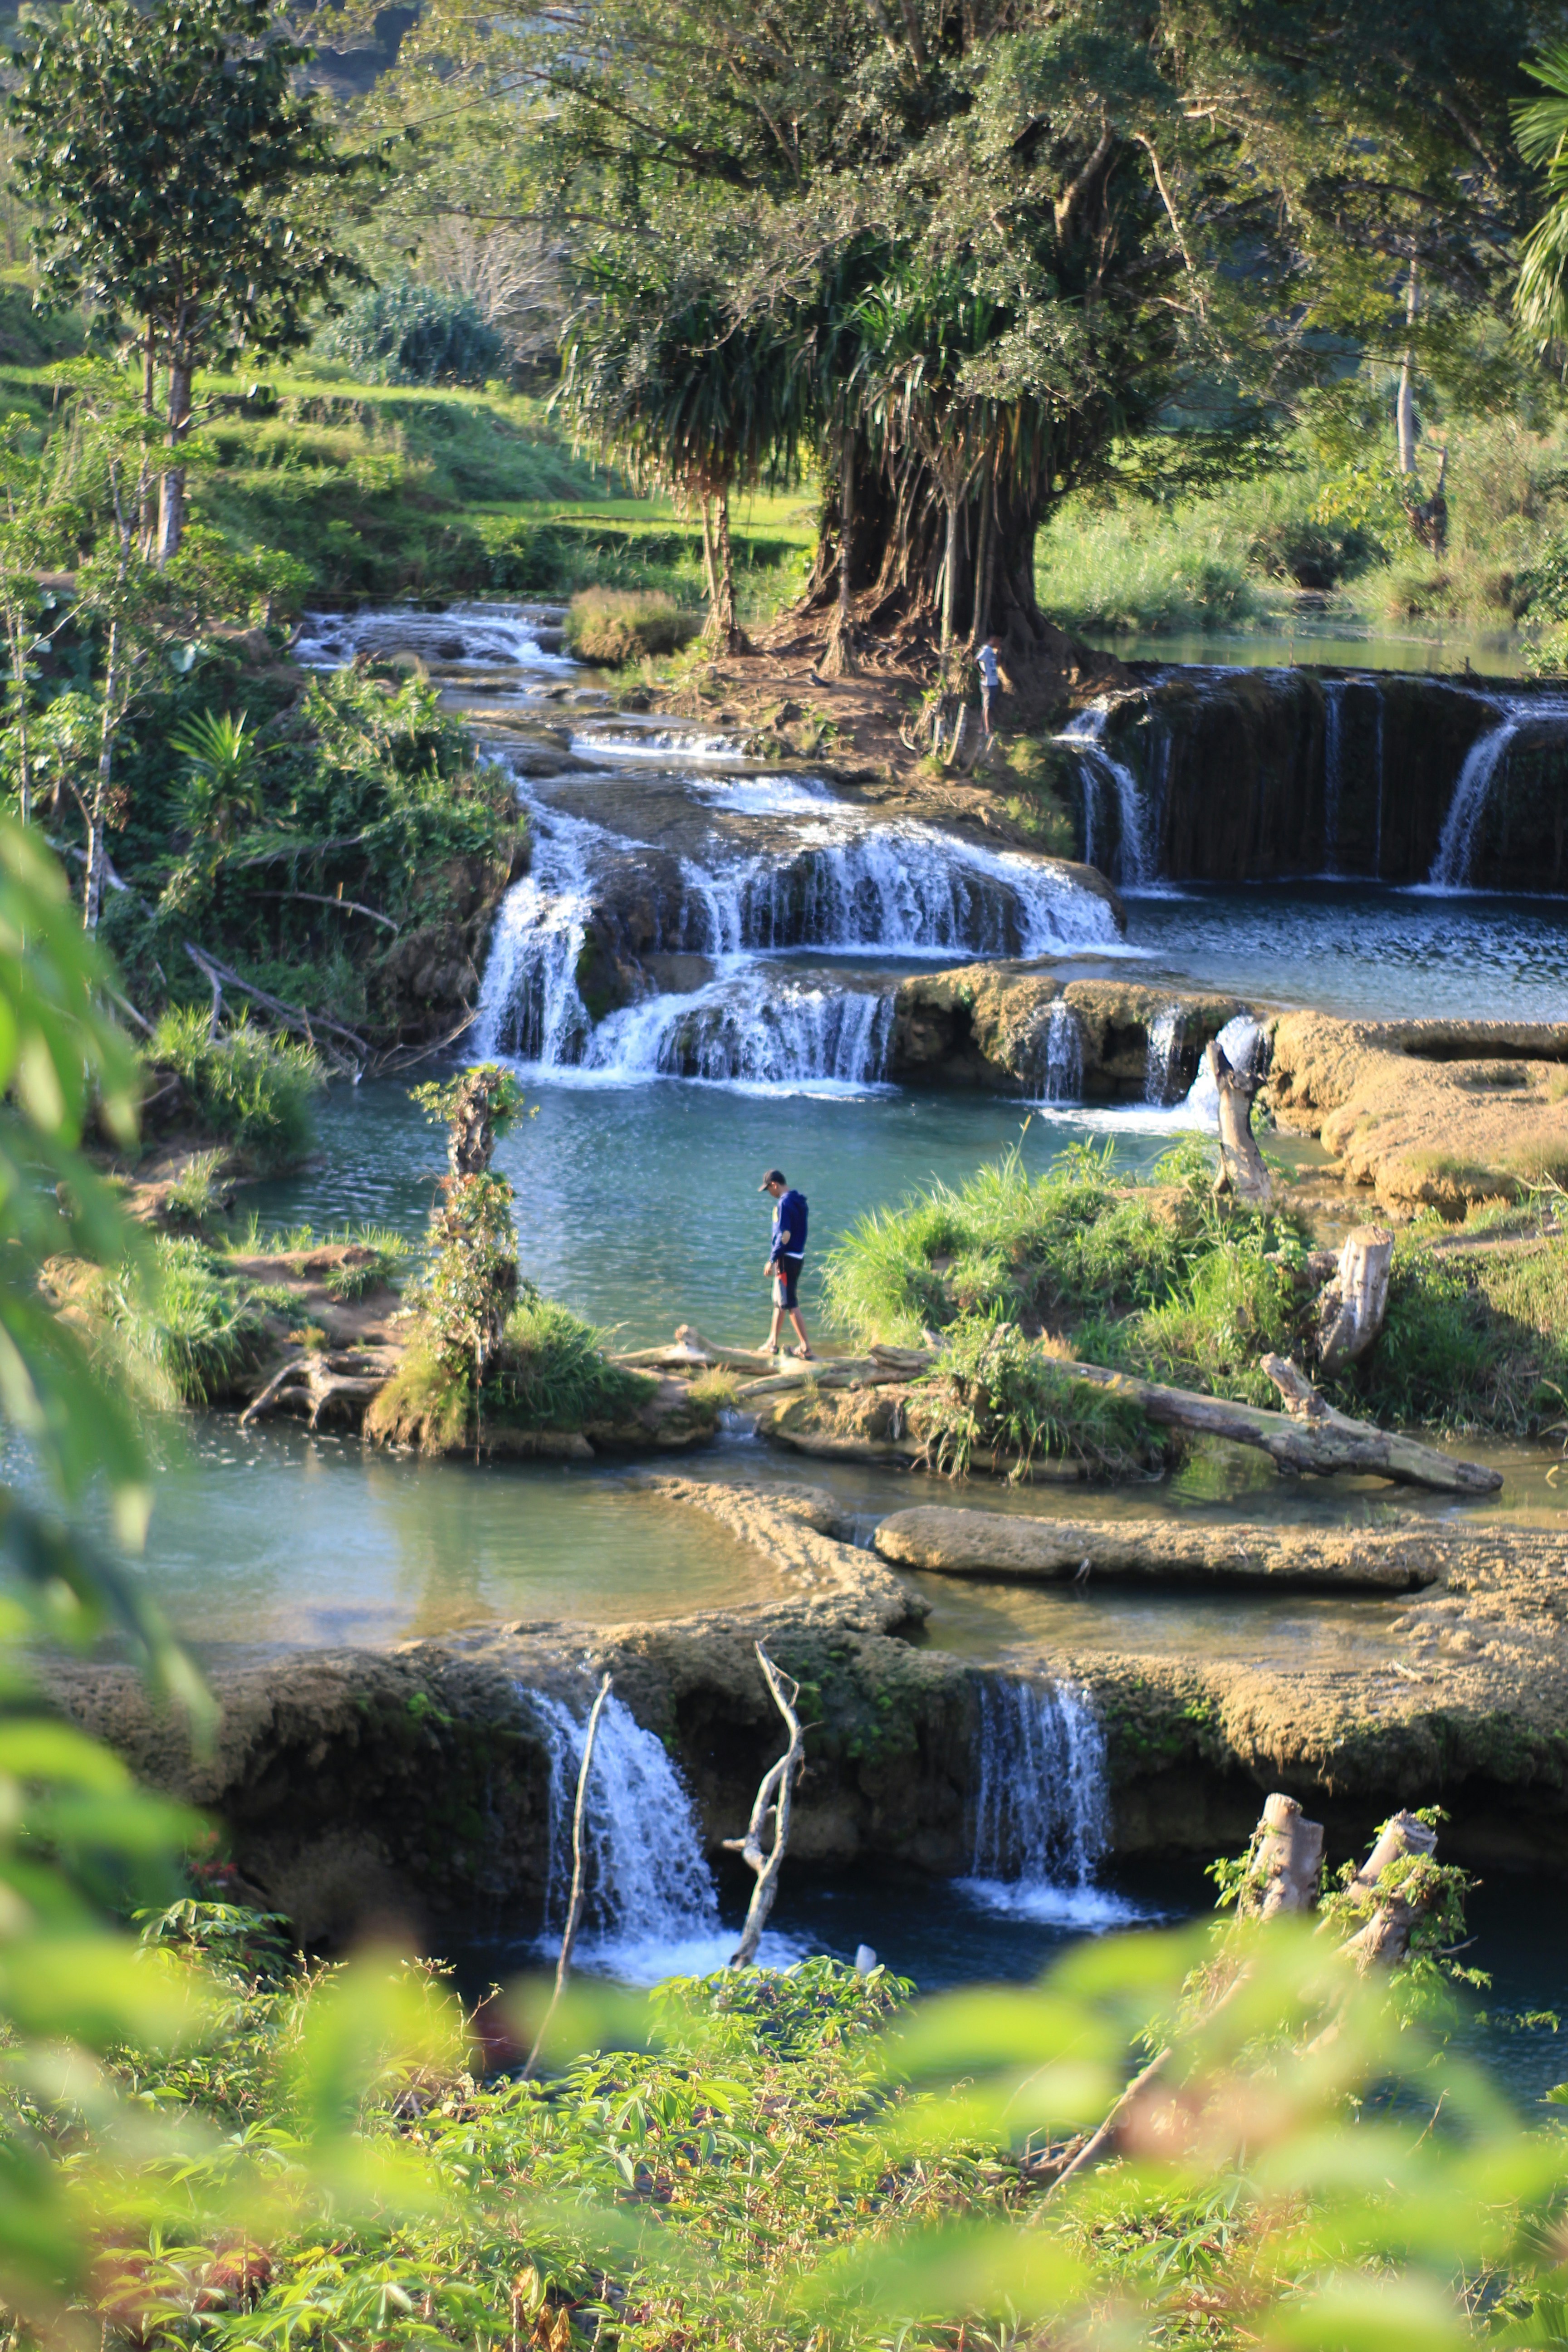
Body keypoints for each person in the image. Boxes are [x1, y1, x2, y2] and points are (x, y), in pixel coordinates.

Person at [758, 1167, 813, 1359]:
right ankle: (772, 1342)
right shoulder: (798, 1200)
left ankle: (806, 1347)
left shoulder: (784, 1203)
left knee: (789, 1302)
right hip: (797, 1256)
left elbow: (784, 1236)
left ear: (775, 1185)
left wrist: (772, 1259)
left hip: (786, 1259)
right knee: (779, 1302)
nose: (770, 1194)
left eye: (769, 1189)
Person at [977, 633, 1003, 736]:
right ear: (993, 639)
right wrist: (982, 672)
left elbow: (997, 665)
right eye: (998, 641)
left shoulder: (992, 651)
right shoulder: (986, 649)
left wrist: (999, 653)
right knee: (987, 707)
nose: (999, 643)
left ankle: (983, 727)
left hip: (993, 682)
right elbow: (976, 660)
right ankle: (988, 730)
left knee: (987, 706)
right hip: (987, 683)